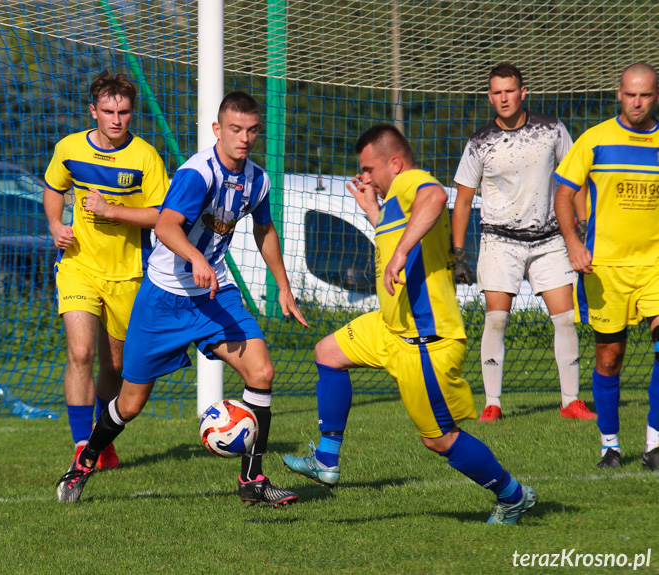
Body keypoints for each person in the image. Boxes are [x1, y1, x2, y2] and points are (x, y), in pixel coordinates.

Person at [55, 91, 309, 506]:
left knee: (261, 372)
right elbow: (166, 227)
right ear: (217, 130)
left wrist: (282, 285)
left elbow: (265, 231)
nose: (243, 138)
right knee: (131, 403)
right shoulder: (197, 174)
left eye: (251, 130)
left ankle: (253, 480)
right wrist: (195, 258)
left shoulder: (257, 180)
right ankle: (84, 463)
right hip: (163, 300)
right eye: (234, 129)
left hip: (215, 296)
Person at [282, 124, 537, 524]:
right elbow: (398, 232)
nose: (363, 176)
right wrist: (372, 212)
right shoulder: (393, 205)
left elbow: (435, 196)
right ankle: (326, 460)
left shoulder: (411, 182)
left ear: (394, 164)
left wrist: (401, 251)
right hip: (391, 327)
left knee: (438, 439)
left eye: (368, 169)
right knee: (327, 353)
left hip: (424, 340)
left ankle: (512, 495)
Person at [44, 71, 169, 487]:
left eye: (125, 112)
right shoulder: (70, 147)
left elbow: (161, 217)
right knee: (80, 353)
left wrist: (114, 211)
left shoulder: (146, 158)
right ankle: (83, 446)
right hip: (78, 264)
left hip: (128, 273)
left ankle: (102, 435)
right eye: (109, 111)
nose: (117, 120)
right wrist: (54, 225)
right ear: (93, 111)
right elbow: (52, 187)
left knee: (115, 364)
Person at [452, 63, 595, 422]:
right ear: (490, 97)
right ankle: (493, 404)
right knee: (496, 320)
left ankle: (571, 402)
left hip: (550, 240)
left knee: (565, 320)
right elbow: (464, 200)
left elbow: (575, 179)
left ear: (523, 92)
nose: (503, 98)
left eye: (509, 91)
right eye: (496, 92)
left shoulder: (552, 129)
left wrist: (584, 229)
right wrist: (458, 254)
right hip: (500, 242)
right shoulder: (479, 142)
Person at [554, 62, 659, 470]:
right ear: (619, 93)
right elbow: (563, 194)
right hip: (606, 270)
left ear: (655, 96)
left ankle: (654, 445)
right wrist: (573, 243)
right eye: (631, 94)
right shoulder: (595, 140)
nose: (637, 102)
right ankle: (610, 447)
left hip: (654, 267)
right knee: (609, 358)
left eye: (646, 95)